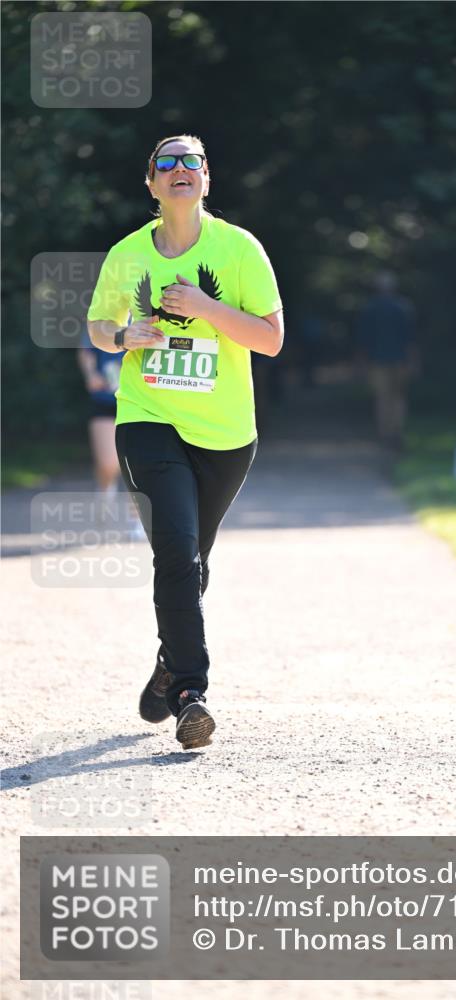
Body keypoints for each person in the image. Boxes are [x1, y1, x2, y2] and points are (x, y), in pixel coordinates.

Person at [86, 134, 283, 749]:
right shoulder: (127, 254)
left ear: (206, 179)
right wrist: (123, 337)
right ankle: (191, 694)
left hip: (225, 433)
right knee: (174, 552)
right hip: (148, 415)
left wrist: (203, 305)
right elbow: (97, 324)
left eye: (189, 163)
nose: (179, 171)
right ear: (150, 184)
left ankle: (170, 662)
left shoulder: (239, 249)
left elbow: (270, 339)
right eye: (166, 164)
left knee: (191, 560)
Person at [356, 271, 418, 449]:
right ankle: (397, 431)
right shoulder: (404, 307)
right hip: (401, 359)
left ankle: (384, 433)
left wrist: (361, 363)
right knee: (399, 396)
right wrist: (413, 361)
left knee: (382, 397)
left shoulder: (369, 308)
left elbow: (363, 339)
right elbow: (411, 338)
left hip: (377, 360)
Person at [76, 329, 125, 496]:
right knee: (108, 465)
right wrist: (91, 375)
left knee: (143, 466)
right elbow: (86, 351)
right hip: (106, 400)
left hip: (143, 403)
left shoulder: (153, 316)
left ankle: (139, 519)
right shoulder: (102, 315)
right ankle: (105, 490)